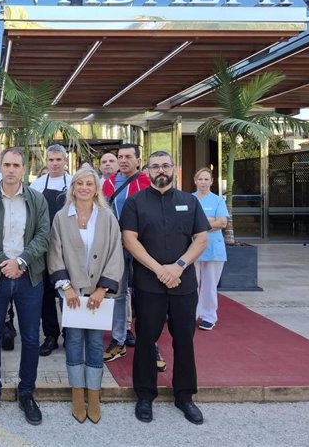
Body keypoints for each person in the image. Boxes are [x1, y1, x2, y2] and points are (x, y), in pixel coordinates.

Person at [120, 151, 210, 425]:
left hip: (183, 284)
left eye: (166, 166)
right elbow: (130, 240)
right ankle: (145, 396)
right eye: (155, 166)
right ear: (147, 170)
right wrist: (160, 269)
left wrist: (178, 266)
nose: (161, 170)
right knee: (146, 339)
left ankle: (185, 396)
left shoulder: (189, 201)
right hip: (149, 284)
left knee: (184, 340)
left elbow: (201, 239)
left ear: (174, 169)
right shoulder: (135, 202)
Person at [0, 147, 50, 426]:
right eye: (6, 164)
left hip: (29, 278)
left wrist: (22, 261)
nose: (11, 169)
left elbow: (44, 234)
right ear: (0, 167)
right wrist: (5, 262)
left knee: (30, 338)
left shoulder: (37, 199)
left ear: (23, 168)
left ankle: (26, 392)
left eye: (16, 165)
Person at [47, 167, 125, 423]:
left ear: (96, 188)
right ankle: (77, 393)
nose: (84, 187)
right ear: (73, 188)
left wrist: (103, 289)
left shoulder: (107, 217)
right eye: (79, 183)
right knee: (73, 342)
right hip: (71, 292)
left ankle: (94, 393)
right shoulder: (61, 217)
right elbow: (54, 252)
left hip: (98, 295)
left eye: (89, 183)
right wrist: (66, 287)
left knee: (94, 343)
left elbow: (116, 254)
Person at [101, 144, 150, 363]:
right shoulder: (109, 183)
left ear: (138, 160)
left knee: (146, 294)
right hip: (117, 247)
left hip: (143, 247)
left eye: (128, 157)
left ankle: (150, 342)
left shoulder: (147, 183)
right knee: (118, 294)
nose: (123, 160)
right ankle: (118, 340)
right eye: (120, 157)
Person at [30, 143, 73, 357]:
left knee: (68, 290)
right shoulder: (37, 185)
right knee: (45, 294)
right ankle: (50, 336)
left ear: (66, 161)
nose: (55, 163)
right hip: (44, 246)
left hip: (68, 246)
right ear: (46, 162)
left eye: (59, 159)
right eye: (51, 160)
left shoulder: (74, 183)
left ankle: (70, 333)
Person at [193, 167, 229, 331]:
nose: (203, 182)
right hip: (192, 250)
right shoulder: (189, 199)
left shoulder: (218, 201)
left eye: (206, 179)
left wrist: (198, 224)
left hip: (213, 249)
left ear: (212, 182)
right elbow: (183, 223)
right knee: (191, 284)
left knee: (209, 284)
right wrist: (209, 221)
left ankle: (208, 317)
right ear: (195, 181)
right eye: (200, 179)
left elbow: (222, 223)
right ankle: (190, 314)